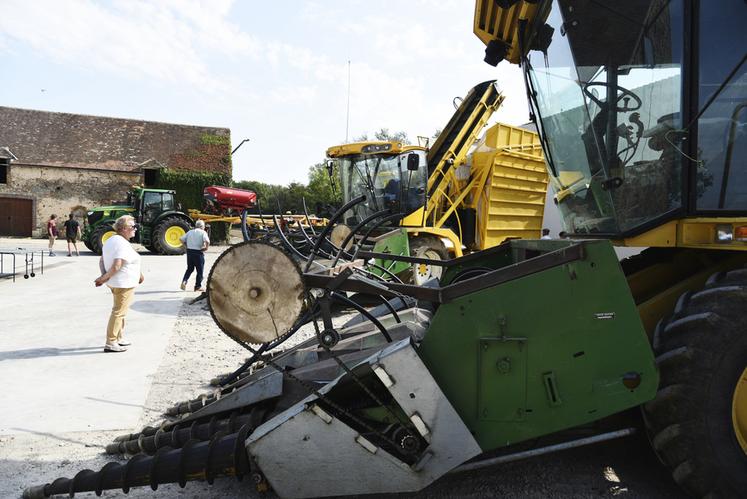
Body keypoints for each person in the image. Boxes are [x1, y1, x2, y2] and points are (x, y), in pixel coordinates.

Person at [94, 215, 144, 353]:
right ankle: (111, 342)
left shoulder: (112, 240)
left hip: (117, 282)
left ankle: (119, 337)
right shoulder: (121, 243)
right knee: (119, 312)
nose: (135, 229)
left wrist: (105, 277)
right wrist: (103, 278)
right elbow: (117, 265)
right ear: (123, 229)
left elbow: (102, 261)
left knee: (121, 311)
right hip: (123, 283)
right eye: (132, 227)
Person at [179, 220, 210, 292]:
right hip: (198, 253)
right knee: (200, 271)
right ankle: (197, 286)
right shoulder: (203, 232)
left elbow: (181, 239)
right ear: (202, 226)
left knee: (189, 269)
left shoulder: (190, 232)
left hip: (189, 252)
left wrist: (186, 245)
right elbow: (207, 241)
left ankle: (184, 281)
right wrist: (206, 248)